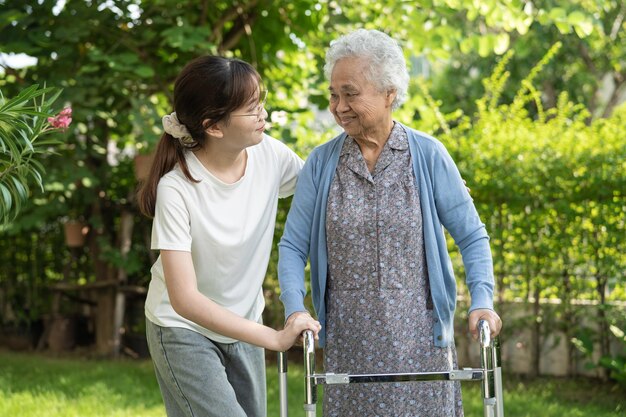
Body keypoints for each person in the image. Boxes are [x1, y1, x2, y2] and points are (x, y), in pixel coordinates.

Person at [278, 29, 502, 416]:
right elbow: (293, 246)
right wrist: (296, 308)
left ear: (389, 93)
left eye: (350, 93)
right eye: (333, 94)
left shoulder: (428, 155)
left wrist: (482, 300)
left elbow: (472, 236)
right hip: (350, 342)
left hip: (422, 339)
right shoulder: (321, 163)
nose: (339, 106)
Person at [137, 55, 321, 417]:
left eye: (261, 102)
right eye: (251, 109)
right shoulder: (177, 189)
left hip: (242, 322)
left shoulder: (270, 155)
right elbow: (184, 299)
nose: (263, 114)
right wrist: (273, 337)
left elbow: (328, 191)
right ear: (214, 126)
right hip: (182, 329)